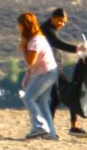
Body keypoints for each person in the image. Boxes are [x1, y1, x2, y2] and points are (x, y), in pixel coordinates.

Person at [40, 8, 87, 137]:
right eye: (60, 21)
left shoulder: (49, 29)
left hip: (56, 67)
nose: (62, 24)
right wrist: (76, 49)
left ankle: (72, 126)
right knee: (60, 97)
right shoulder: (46, 30)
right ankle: (48, 129)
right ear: (53, 17)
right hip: (49, 68)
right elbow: (58, 43)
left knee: (68, 94)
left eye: (64, 23)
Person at [18, 12, 60, 140]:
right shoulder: (38, 38)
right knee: (42, 102)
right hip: (50, 72)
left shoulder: (35, 41)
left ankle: (39, 126)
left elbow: (31, 62)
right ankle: (51, 133)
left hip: (45, 74)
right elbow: (33, 65)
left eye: (19, 25)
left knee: (28, 98)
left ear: (23, 25)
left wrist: (23, 48)